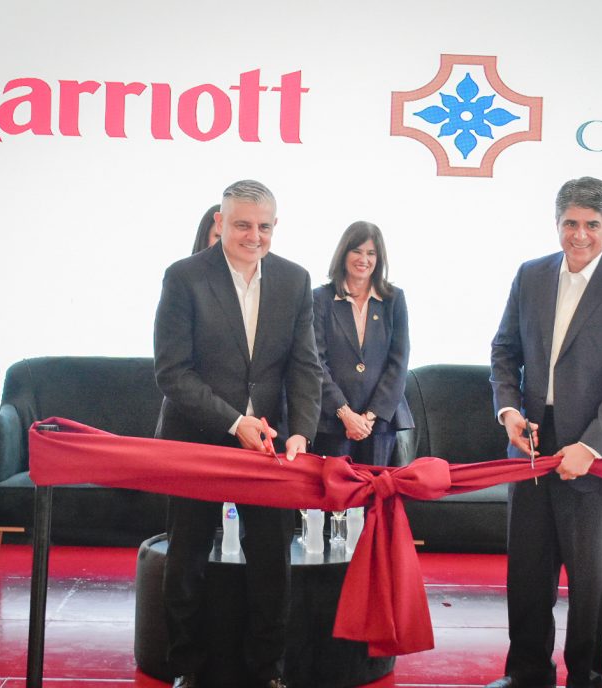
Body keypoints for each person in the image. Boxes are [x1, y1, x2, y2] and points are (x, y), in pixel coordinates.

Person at [486, 177, 602, 688]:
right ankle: (526, 675)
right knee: (527, 575)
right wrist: (509, 411)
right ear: (557, 222)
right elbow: (504, 351)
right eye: (570, 223)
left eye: (591, 225)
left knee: (591, 581)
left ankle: (586, 677)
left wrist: (590, 446)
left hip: (596, 454)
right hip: (532, 446)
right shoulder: (530, 275)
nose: (579, 235)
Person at [153, 180, 322, 688]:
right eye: (243, 224)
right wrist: (233, 421)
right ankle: (186, 667)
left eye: (264, 226)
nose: (254, 236)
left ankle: (267, 671)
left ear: (275, 226)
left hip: (268, 446)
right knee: (186, 559)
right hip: (196, 439)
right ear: (220, 222)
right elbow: (172, 372)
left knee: (272, 561)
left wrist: (302, 433)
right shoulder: (183, 277)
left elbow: (305, 366)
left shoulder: (295, 280)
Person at [312, 221, 413, 466]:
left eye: (371, 253)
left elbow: (398, 362)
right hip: (333, 421)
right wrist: (345, 413)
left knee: (376, 487)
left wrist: (369, 417)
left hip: (379, 423)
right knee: (334, 489)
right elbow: (315, 362)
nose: (363, 259)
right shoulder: (320, 299)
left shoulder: (394, 299)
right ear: (343, 253)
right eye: (356, 251)